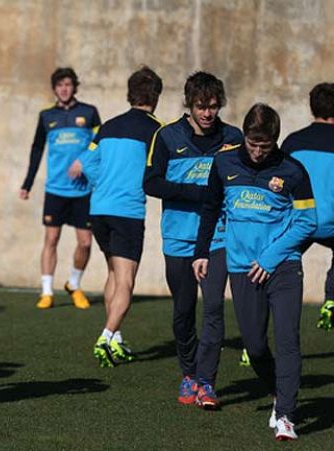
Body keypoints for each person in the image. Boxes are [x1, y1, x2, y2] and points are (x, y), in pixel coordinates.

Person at [194, 103, 316, 441]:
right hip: (243, 269)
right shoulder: (223, 162)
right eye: (253, 144)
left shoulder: (293, 170)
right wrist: (201, 252)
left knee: (288, 339)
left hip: (284, 266)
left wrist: (271, 257)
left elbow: (308, 220)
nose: (259, 152)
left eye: (265, 145)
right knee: (255, 346)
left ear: (275, 140)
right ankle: (279, 394)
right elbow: (210, 208)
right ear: (244, 137)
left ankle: (288, 417)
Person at [144, 72, 243, 408]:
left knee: (214, 307)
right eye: (202, 106)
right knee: (184, 311)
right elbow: (151, 183)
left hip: (219, 237)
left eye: (214, 106)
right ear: (189, 104)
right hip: (179, 238)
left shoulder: (233, 137)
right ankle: (188, 373)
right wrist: (198, 193)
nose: (207, 113)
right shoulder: (167, 136)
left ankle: (206, 381)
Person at [69, 67, 163, 367]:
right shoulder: (157, 130)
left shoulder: (107, 126)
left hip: (99, 210)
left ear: (129, 93)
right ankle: (106, 336)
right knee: (126, 281)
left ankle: (117, 339)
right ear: (155, 96)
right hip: (127, 213)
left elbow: (84, 162)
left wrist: (103, 181)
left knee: (112, 273)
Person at [20, 68, 100, 310]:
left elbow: (101, 142)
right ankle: (47, 292)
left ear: (75, 87)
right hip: (55, 189)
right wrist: (27, 183)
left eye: (68, 84)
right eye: (59, 85)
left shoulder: (89, 113)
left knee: (85, 243)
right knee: (51, 238)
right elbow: (37, 149)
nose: (64, 89)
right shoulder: (47, 115)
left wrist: (83, 161)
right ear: (54, 89)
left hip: (82, 190)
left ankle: (74, 284)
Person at [281, 82, 334, 331]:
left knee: (275, 268)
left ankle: (254, 335)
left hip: (298, 222)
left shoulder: (293, 142)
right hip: (331, 224)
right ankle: (332, 300)